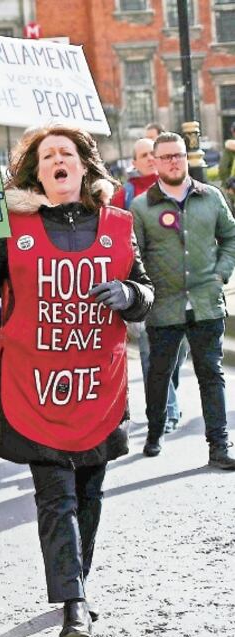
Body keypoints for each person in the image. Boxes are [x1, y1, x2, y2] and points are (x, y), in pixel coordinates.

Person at [0, 124, 154, 637]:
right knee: (55, 493)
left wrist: (128, 292)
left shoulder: (119, 225)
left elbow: (146, 291)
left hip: (96, 386)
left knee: (89, 491)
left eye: (67, 153)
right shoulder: (11, 227)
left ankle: (78, 581)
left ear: (83, 166)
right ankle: (73, 603)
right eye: (47, 156)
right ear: (37, 172)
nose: (58, 160)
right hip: (33, 386)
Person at [130, 132, 235, 469]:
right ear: (155, 162)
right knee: (159, 374)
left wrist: (221, 273)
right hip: (164, 306)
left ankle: (219, 445)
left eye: (178, 155)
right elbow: (136, 255)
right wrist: (146, 289)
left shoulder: (211, 197)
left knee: (211, 373)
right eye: (166, 157)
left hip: (206, 301)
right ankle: (156, 431)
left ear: (185, 158)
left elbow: (231, 236)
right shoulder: (141, 207)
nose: (173, 161)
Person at [113, 138, 187, 435]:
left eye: (151, 154)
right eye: (142, 155)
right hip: (144, 286)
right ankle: (165, 410)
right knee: (150, 351)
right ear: (136, 160)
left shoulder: (177, 186)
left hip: (178, 287)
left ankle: (169, 397)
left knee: (179, 351)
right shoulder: (125, 193)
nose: (148, 159)